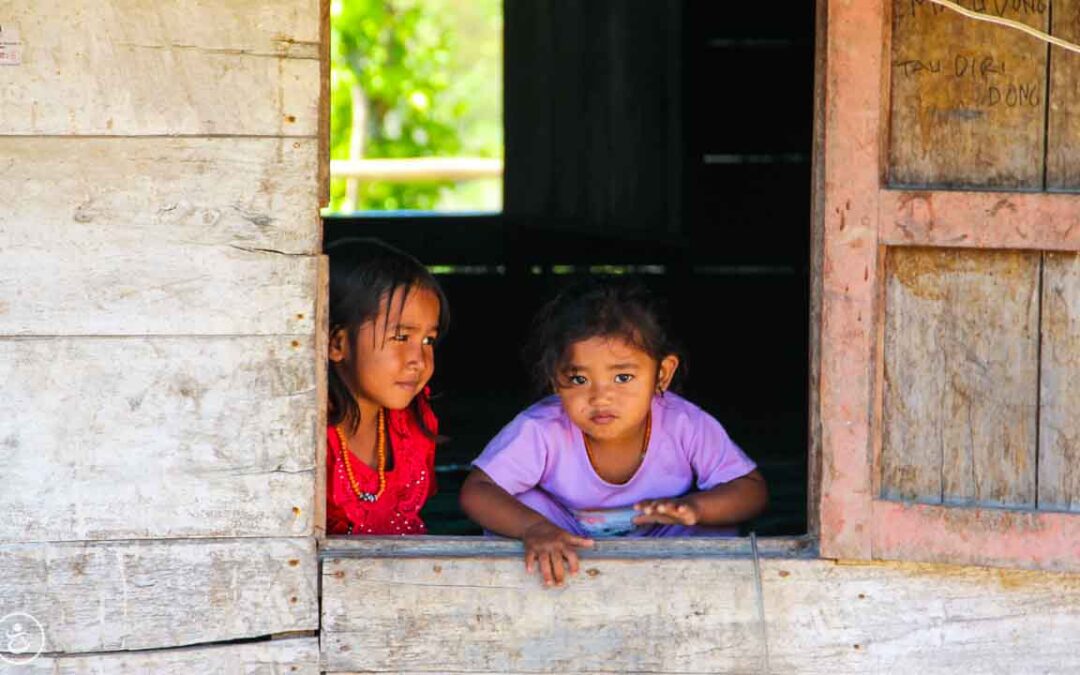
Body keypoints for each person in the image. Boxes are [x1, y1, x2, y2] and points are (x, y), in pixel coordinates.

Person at [460, 278, 767, 585]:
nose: (600, 397)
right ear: (555, 380)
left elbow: (751, 489)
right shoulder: (540, 428)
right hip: (560, 536)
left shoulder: (684, 423)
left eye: (622, 377)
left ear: (662, 374)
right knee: (518, 499)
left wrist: (696, 508)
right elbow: (477, 490)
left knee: (715, 523)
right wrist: (533, 528)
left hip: (663, 540)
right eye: (579, 380)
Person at [325, 238, 449, 535]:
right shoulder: (305, 440)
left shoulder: (412, 425)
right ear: (337, 343)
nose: (419, 361)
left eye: (428, 340)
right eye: (401, 337)